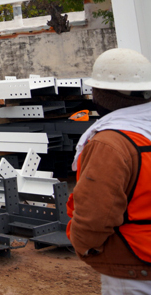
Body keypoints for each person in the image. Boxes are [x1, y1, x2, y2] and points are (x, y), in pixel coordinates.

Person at [68, 48, 151, 293]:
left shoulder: (111, 144)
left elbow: (96, 214)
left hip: (133, 263)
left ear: (105, 96)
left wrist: (84, 245)